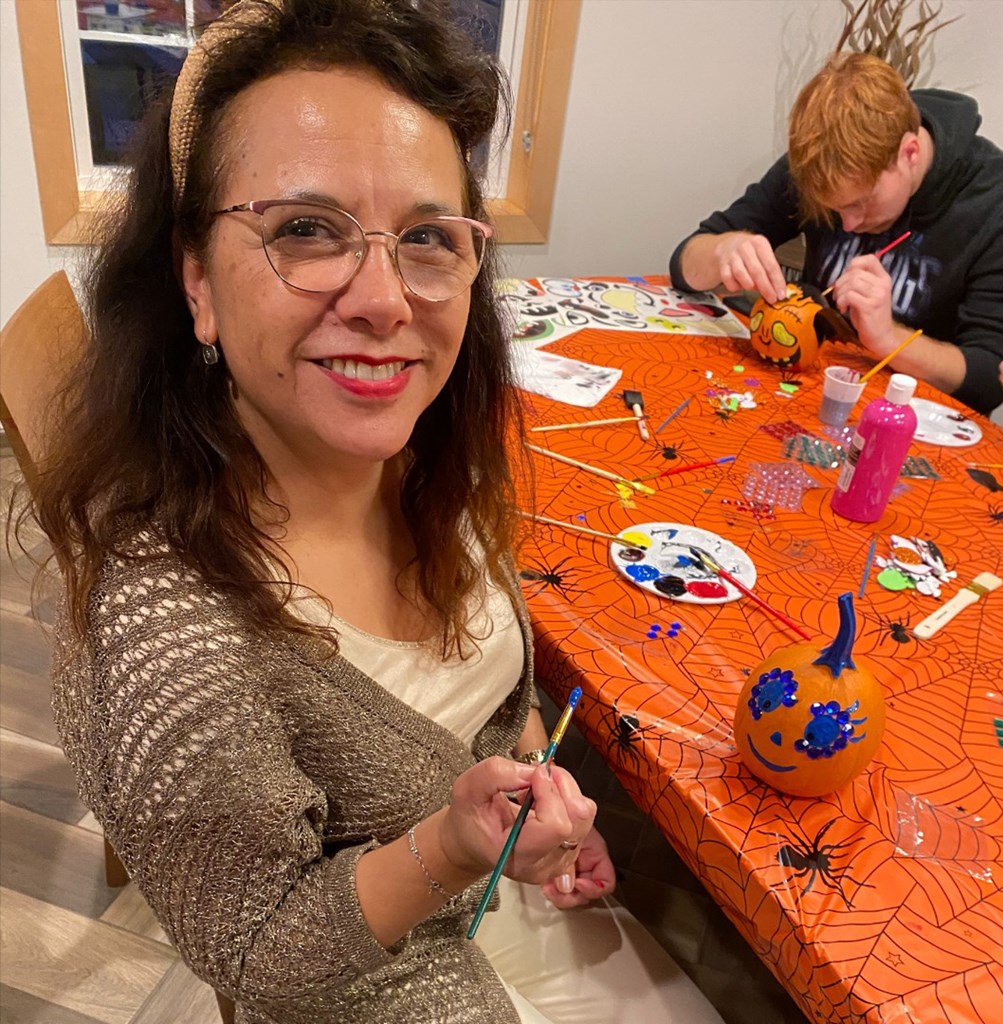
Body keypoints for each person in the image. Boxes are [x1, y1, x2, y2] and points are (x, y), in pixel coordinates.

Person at [30, 2, 724, 1022]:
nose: (386, 299)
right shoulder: (171, 632)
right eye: (304, 230)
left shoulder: (425, 459)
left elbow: (494, 696)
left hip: (490, 890)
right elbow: (256, 947)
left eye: (426, 236)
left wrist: (535, 791)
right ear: (197, 284)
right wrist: (449, 845)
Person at [671, 52, 1003, 418]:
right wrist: (723, 251)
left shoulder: (1002, 204)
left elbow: (989, 377)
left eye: (862, 202)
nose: (849, 224)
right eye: (833, 209)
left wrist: (887, 338)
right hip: (808, 395)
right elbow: (684, 263)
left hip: (915, 421)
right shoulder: (823, 159)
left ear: (910, 153)